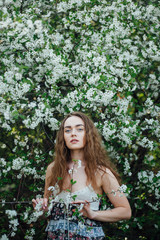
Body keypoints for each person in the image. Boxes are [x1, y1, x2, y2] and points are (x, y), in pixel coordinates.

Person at [32, 112, 131, 240]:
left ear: (88, 134)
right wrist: (42, 209)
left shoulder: (100, 172)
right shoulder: (53, 169)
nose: (73, 133)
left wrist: (93, 214)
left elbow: (125, 211)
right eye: (68, 130)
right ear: (63, 137)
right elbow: (48, 211)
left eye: (79, 129)